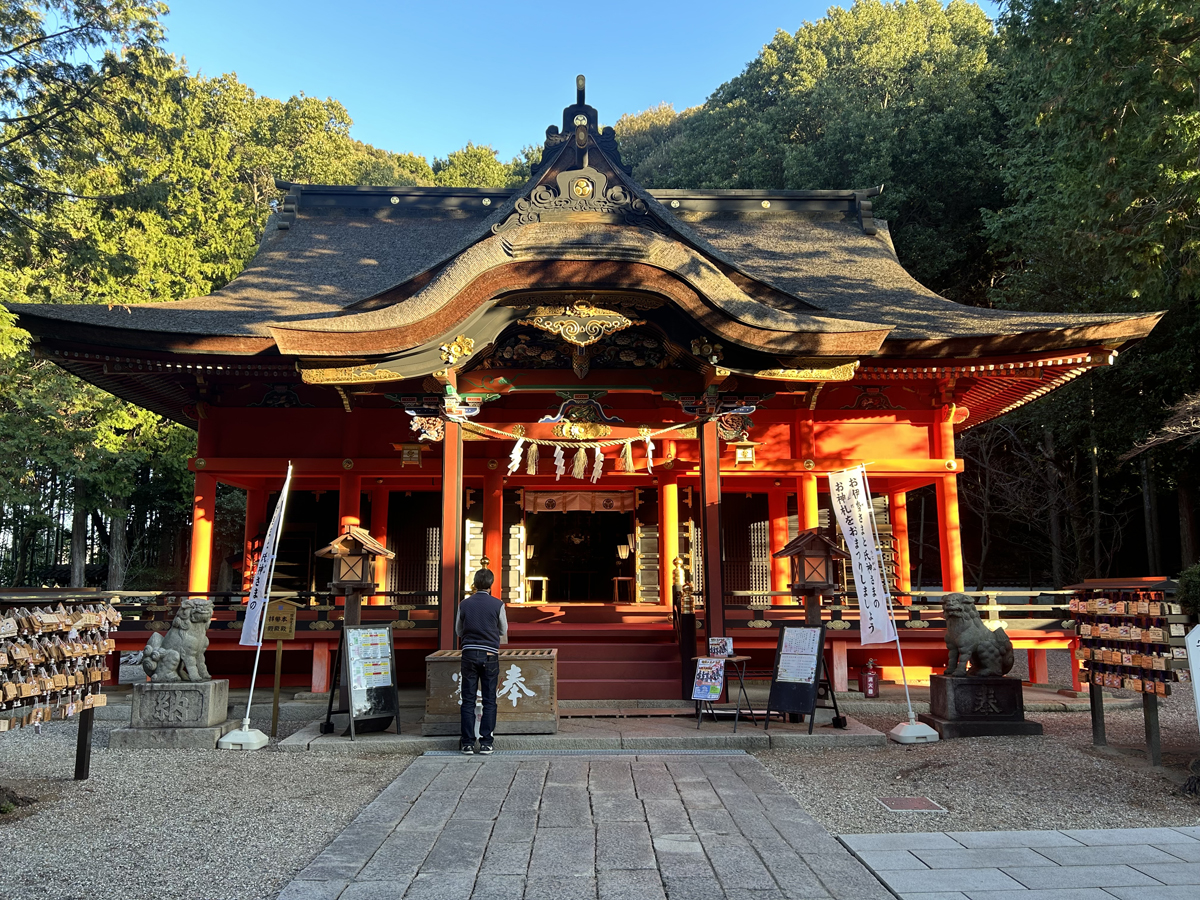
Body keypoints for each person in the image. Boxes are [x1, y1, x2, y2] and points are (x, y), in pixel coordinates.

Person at [456, 568, 507, 755]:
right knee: (489, 700)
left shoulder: (464, 604)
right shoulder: (498, 604)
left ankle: (468, 742)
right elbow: (503, 629)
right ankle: (486, 742)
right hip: (490, 654)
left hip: (469, 653)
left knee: (468, 699)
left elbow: (458, 630)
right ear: (491, 584)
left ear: (475, 583)